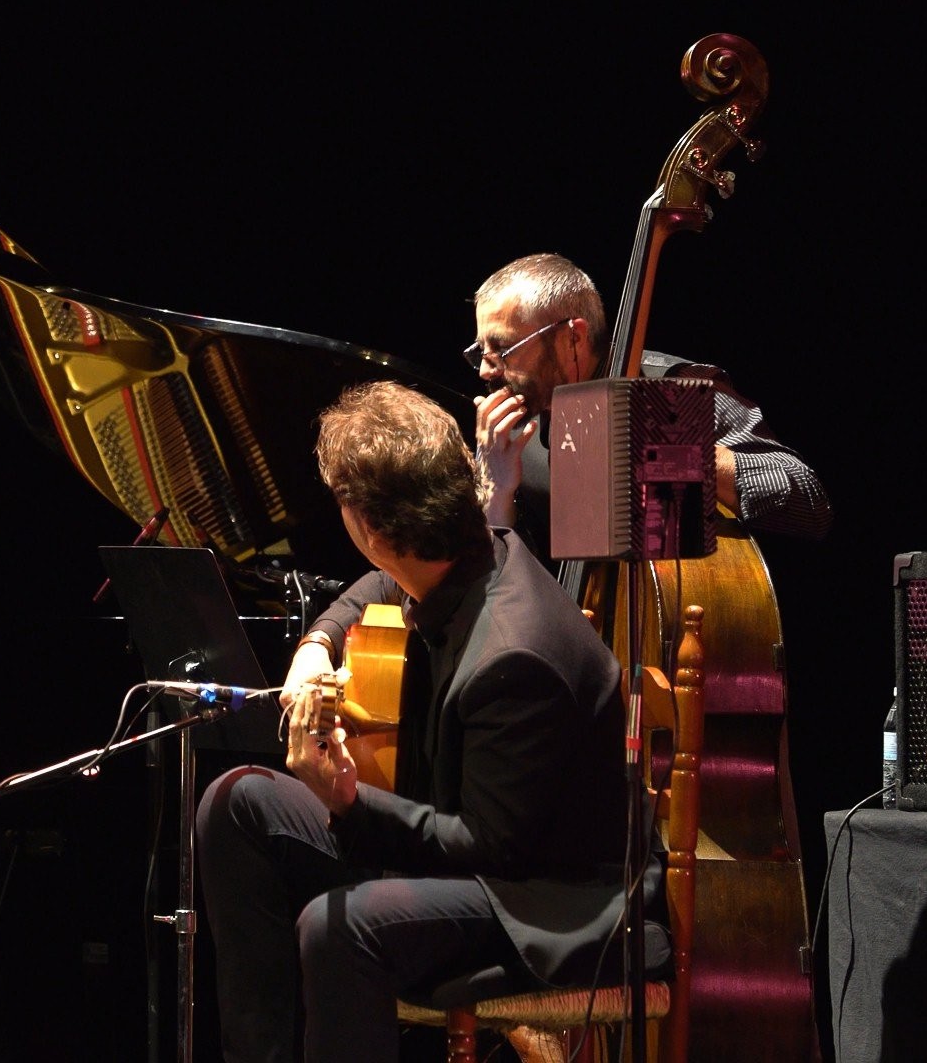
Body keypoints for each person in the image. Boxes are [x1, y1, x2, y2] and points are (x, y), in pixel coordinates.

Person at [196, 382, 667, 1062]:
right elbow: (376, 585)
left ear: (376, 532)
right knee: (236, 803)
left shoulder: (514, 656)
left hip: (548, 903)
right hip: (480, 853)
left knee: (344, 927)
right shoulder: (468, 547)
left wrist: (347, 801)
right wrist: (314, 646)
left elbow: (488, 849)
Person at [469, 252, 830, 568]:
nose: (486, 370)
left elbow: (808, 501)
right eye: (479, 352)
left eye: (502, 349)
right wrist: (494, 492)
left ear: (572, 337)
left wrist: (677, 452)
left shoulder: (672, 390)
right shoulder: (512, 428)